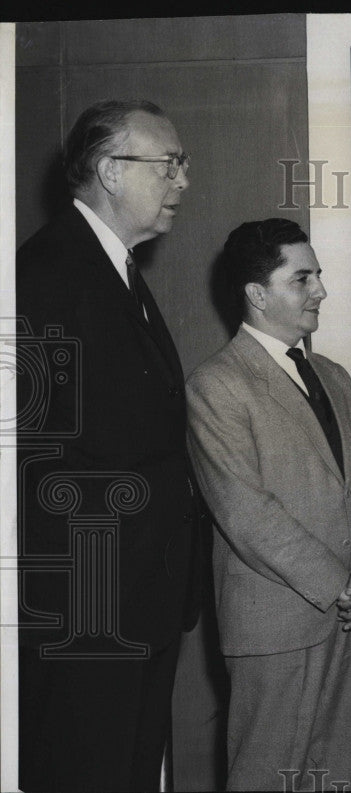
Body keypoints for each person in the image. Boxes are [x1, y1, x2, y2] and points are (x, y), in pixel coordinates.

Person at [16, 100, 200, 791]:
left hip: (137, 599)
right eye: (170, 164)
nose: (183, 181)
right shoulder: (44, 276)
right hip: (87, 615)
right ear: (109, 171)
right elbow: (24, 457)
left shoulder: (118, 273)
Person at [186, 218, 351, 790]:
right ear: (257, 295)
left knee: (337, 775)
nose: (320, 291)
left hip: (347, 616)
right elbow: (246, 514)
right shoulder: (216, 385)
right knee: (266, 776)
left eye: (319, 277)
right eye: (302, 278)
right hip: (274, 625)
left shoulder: (333, 376)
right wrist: (343, 584)